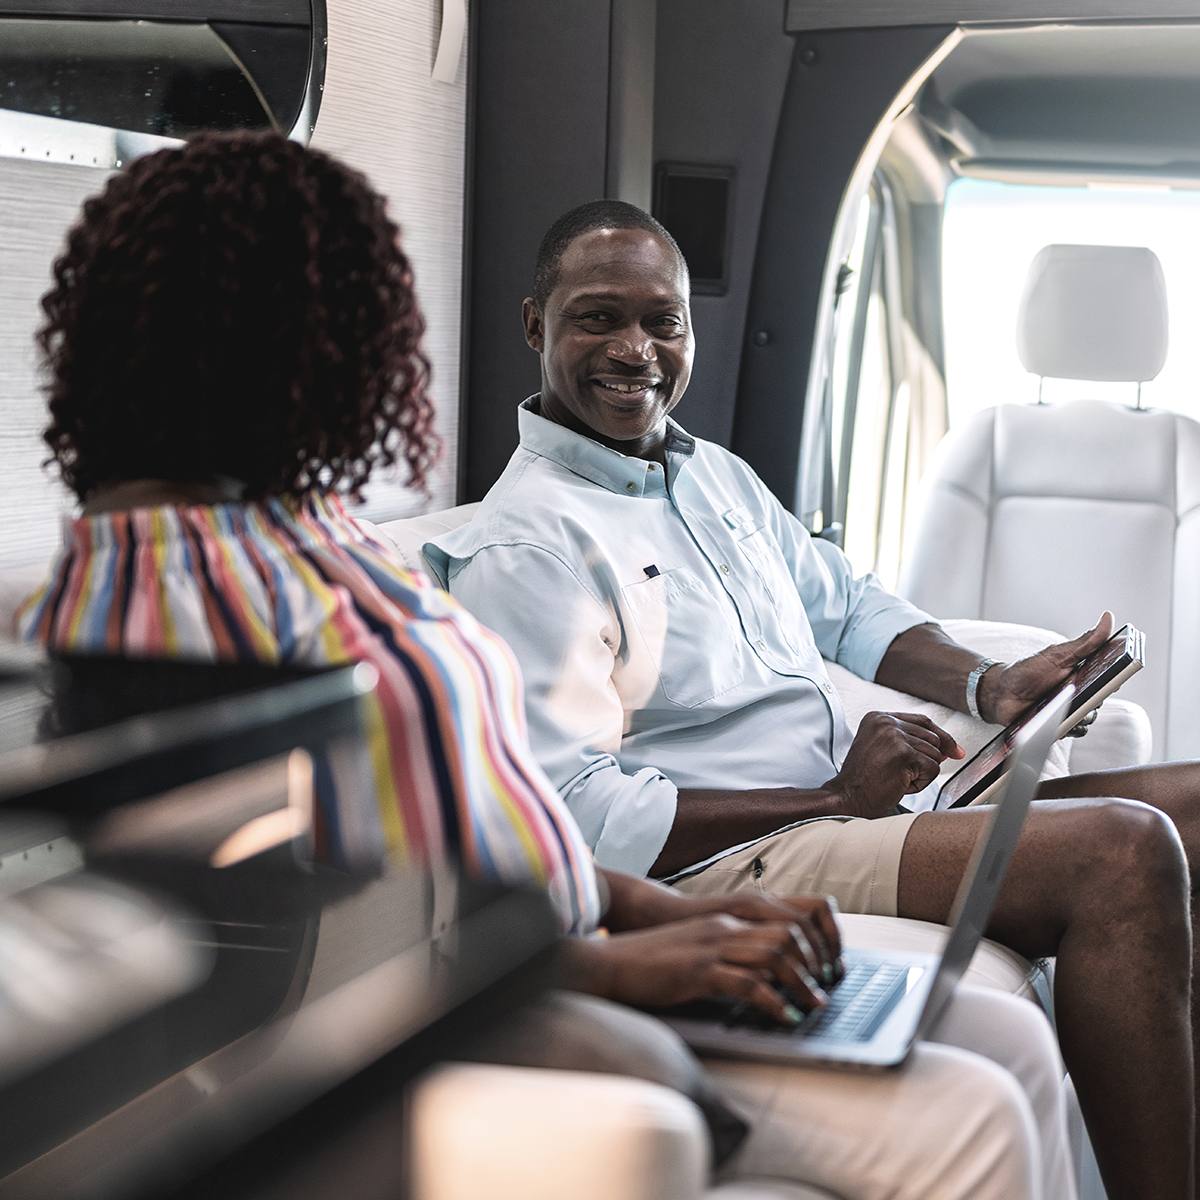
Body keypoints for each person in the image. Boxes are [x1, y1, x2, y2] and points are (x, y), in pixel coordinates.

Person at [18, 132, 1075, 1200]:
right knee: (972, 1110)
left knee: (1004, 1037)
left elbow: (471, 834)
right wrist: (624, 962)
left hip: (560, 943)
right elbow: (286, 947)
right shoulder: (174, 604)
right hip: (502, 1010)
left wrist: (662, 915)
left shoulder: (292, 532)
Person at [425, 198, 1200, 1200]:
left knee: (1192, 806)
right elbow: (580, 823)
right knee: (1123, 854)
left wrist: (990, 684)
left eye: (662, 322)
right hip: (737, 854)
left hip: (867, 814)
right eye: (597, 318)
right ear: (536, 325)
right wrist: (831, 800)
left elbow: (849, 610)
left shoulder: (713, 479)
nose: (636, 349)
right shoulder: (527, 547)